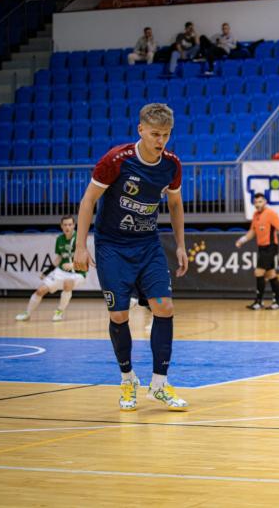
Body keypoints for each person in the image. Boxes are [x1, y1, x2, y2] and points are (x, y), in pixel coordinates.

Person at [73, 103, 189, 412]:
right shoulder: (116, 161)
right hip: (112, 246)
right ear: (141, 130)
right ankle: (127, 379)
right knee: (119, 316)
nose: (160, 140)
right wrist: (80, 246)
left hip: (148, 245)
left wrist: (180, 244)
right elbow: (88, 201)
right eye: (154, 134)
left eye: (165, 135)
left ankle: (160, 385)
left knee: (164, 307)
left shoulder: (171, 165)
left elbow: (175, 205)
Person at [15, 216, 87, 322]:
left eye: (70, 225)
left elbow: (85, 260)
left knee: (67, 283)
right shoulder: (60, 239)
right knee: (40, 290)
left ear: (74, 225)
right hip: (61, 272)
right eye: (65, 225)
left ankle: (59, 312)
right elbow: (59, 258)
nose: (67, 227)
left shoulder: (79, 239)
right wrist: (46, 272)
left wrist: (72, 266)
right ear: (61, 226)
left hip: (78, 273)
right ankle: (27, 313)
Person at [236, 194, 279, 310]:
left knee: (258, 272)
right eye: (256, 202)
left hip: (270, 247)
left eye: (260, 202)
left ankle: (258, 302)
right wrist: (242, 240)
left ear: (265, 202)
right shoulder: (255, 215)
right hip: (262, 248)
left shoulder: (271, 214)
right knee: (271, 274)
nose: (258, 204)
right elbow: (252, 231)